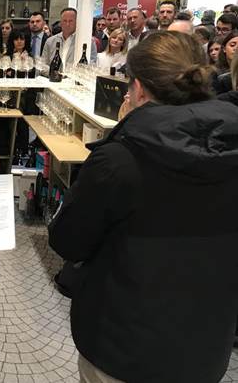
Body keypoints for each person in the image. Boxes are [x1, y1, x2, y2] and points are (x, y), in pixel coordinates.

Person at [48, 31, 238, 383]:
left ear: (136, 89)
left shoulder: (121, 159)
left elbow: (67, 240)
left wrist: (122, 129)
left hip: (123, 342)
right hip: (205, 345)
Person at [41, 7, 97, 72]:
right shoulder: (50, 41)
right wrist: (56, 75)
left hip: (74, 80)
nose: (67, 24)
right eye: (65, 21)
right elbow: (43, 65)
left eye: (71, 21)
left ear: (77, 22)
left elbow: (92, 66)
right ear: (60, 23)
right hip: (53, 80)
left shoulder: (88, 42)